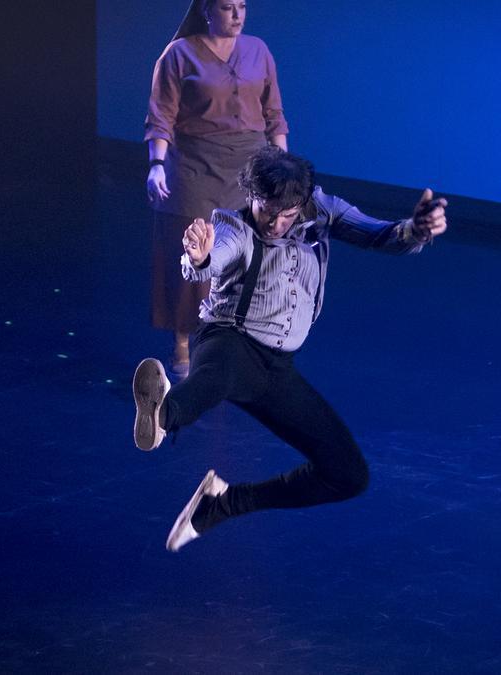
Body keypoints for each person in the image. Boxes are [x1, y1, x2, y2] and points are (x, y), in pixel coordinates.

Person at [131, 147, 448, 552]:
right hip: (228, 338)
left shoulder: (322, 211)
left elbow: (381, 235)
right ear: (251, 197)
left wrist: (415, 230)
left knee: (348, 475)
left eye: (289, 213)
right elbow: (213, 256)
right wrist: (199, 255)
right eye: (268, 211)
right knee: (215, 376)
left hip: (276, 367)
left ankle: (225, 502)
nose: (277, 223)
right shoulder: (233, 226)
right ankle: (162, 416)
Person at [145, 0, 289, 376]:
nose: (238, 15)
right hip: (196, 166)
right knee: (197, 253)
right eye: (228, 7)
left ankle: (235, 345)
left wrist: (284, 170)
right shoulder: (179, 55)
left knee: (245, 258)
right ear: (207, 11)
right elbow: (162, 114)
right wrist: (156, 166)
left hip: (249, 167)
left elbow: (274, 113)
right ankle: (182, 342)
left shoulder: (258, 50)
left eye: (242, 6)